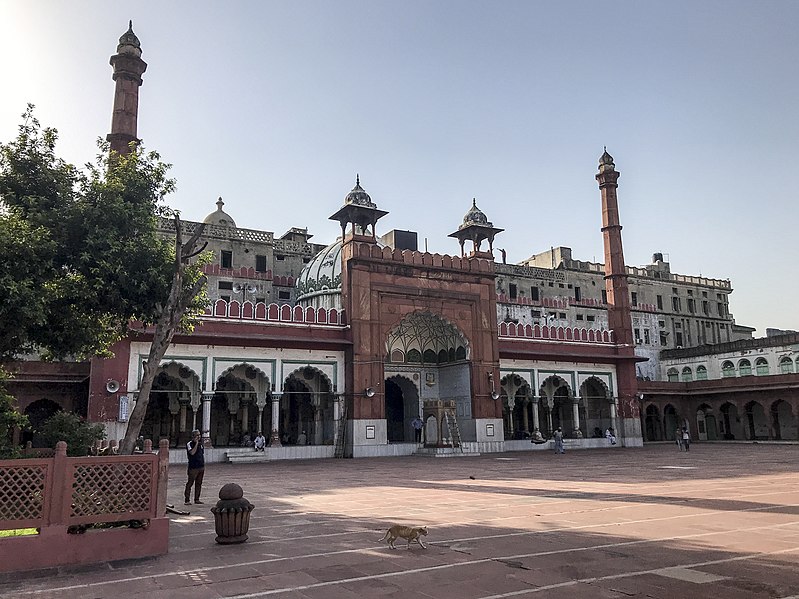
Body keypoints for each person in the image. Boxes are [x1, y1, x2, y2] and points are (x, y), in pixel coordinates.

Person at [185, 430, 205, 505]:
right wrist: (196, 444)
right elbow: (192, 453)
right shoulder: (189, 444)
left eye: (199, 435)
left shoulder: (201, 444)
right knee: (190, 483)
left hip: (201, 466)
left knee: (199, 483)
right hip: (193, 467)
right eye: (197, 435)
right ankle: (187, 499)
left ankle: (197, 499)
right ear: (193, 436)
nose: (198, 437)